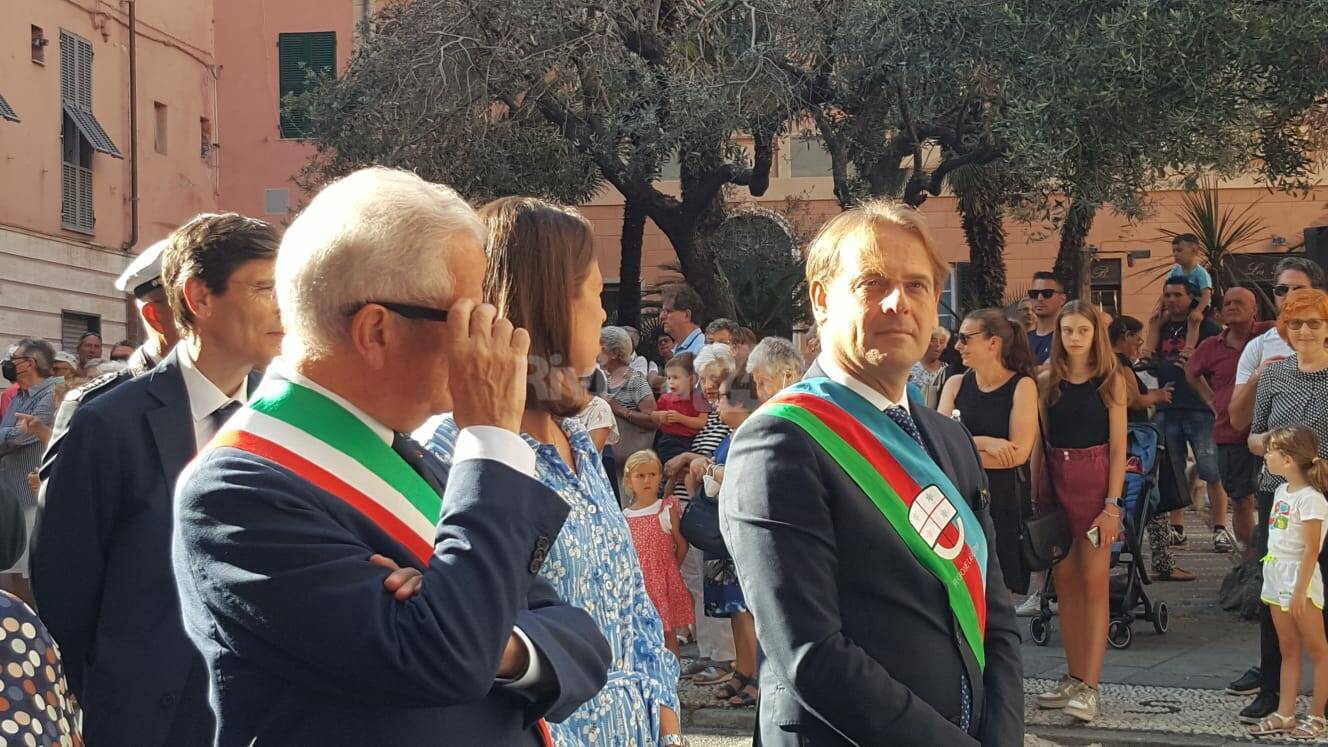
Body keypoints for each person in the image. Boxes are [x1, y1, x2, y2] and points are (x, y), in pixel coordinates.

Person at [172, 171, 609, 744]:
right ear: (376, 330)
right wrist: (492, 440)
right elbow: (447, 657)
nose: (495, 338)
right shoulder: (236, 491)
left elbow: (581, 637)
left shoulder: (405, 452)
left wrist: (498, 643)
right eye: (471, 317)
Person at [721, 200, 1022, 745]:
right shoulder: (780, 440)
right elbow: (810, 652)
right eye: (871, 283)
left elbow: (995, 619)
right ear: (820, 300)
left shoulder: (951, 440)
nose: (897, 303)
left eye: (917, 286)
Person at [418, 195, 680, 746]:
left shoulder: (578, 441)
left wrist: (664, 707)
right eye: (594, 290)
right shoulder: (454, 452)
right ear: (549, 301)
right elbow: (464, 630)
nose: (606, 313)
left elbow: (629, 595)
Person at [31, 213, 282, 747]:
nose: (284, 307)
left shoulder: (285, 417)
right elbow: (65, 584)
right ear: (198, 296)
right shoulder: (109, 422)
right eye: (264, 288)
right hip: (145, 715)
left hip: (260, 710)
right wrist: (105, 694)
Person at [1227, 257, 1325, 700]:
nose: (1303, 331)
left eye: (1313, 323)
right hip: (1277, 496)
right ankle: (1272, 689)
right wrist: (1269, 442)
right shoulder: (1275, 374)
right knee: (1276, 589)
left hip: (1323, 495)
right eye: (1294, 322)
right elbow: (1249, 436)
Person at [1033, 300, 1128, 723]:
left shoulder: (1112, 380)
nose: (1073, 337)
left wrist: (1112, 505)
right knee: (1065, 585)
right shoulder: (1045, 380)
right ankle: (1073, 677)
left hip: (1095, 483)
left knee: (1094, 584)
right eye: (1067, 330)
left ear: (1096, 335)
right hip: (1057, 478)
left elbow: (1120, 449)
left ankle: (1090, 685)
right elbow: (1040, 442)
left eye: (1081, 331)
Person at [939, 309, 1038, 598]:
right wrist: (985, 441)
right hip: (960, 497)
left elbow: (1018, 453)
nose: (958, 346)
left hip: (1003, 500)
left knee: (1000, 593)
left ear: (993, 343)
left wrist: (963, 449)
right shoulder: (955, 384)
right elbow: (941, 443)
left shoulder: (1022, 385)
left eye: (966, 338)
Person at [1246, 425, 1328, 739]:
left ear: (1289, 459)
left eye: (1271, 451)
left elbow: (1311, 550)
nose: (1266, 456)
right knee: (1288, 647)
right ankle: (1286, 712)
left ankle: (1318, 715)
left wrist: (1299, 591)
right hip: (1276, 574)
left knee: (1318, 649)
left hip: (1299, 577)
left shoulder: (1312, 500)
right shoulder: (1281, 492)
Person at [665, 344, 738, 687]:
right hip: (703, 509)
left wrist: (690, 460)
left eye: (713, 378)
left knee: (725, 594)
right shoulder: (711, 415)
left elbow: (727, 461)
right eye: (704, 378)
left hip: (720, 516)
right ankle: (712, 654)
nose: (707, 386)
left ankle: (727, 660)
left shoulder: (732, 415)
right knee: (708, 587)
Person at [1107, 316, 1195, 583]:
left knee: (1151, 500)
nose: (1138, 344)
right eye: (1137, 338)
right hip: (1136, 442)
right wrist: (1156, 396)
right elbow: (1131, 399)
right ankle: (1162, 562)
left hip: (1135, 439)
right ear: (1124, 336)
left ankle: (1161, 560)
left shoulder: (1117, 364)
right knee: (1149, 498)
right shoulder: (1119, 365)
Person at [1187, 287, 1271, 552]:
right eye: (1228, 303)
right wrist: (1211, 400)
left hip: (1273, 431)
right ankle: (1248, 559)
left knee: (1275, 498)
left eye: (1240, 302)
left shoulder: (1271, 335)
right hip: (1231, 432)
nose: (1232, 306)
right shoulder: (1211, 345)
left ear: (1254, 308)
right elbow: (1191, 372)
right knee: (1241, 499)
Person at [1147, 276, 1224, 550]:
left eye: (1177, 295)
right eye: (1167, 295)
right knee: (1173, 472)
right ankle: (1177, 527)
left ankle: (1220, 528)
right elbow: (1150, 360)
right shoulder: (1162, 327)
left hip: (1199, 409)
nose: (1171, 300)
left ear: (1191, 297)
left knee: (1211, 470)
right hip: (1167, 409)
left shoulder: (1207, 327)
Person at [1230, 257, 1326, 432]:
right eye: (1282, 290)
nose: (1289, 296)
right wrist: (1257, 378)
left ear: (1317, 292)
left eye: (1298, 289)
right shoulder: (1258, 346)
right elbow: (1238, 421)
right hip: (1280, 455)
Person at [0, 339, 61, 601]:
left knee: (30, 573)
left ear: (30, 363)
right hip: (12, 493)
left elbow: (22, 437)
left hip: (34, 495)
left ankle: (37, 632)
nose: (7, 365)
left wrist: (11, 435)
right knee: (11, 568)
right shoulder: (18, 395)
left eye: (13, 359)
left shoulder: (54, 393)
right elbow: (10, 433)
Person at [622, 449, 692, 657]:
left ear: (660, 477)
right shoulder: (624, 517)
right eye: (640, 476)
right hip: (639, 585)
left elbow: (681, 545)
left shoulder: (665, 509)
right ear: (629, 481)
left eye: (652, 475)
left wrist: (670, 568)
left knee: (667, 632)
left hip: (663, 582)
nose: (647, 480)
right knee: (641, 633)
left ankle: (672, 678)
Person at [600, 326, 658, 479]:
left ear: (614, 353)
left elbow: (653, 419)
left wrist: (620, 410)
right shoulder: (605, 380)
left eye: (601, 348)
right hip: (610, 466)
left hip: (632, 470)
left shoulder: (636, 381)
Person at [652, 353, 707, 467]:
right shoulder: (665, 398)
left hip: (691, 441)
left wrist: (680, 418)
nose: (670, 381)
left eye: (675, 377)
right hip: (668, 439)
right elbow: (653, 416)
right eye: (668, 377)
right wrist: (659, 416)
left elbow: (701, 422)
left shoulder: (699, 398)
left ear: (691, 379)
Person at [1166, 234, 1215, 354]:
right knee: (1157, 319)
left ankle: (1188, 348)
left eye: (1179, 250)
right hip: (1181, 304)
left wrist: (1198, 310)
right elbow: (1166, 290)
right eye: (1174, 251)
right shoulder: (1174, 271)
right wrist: (1159, 309)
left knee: (1193, 321)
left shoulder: (1200, 273)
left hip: (1198, 303)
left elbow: (1206, 294)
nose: (1176, 254)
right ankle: (1149, 349)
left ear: (1194, 250)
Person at [1028, 271, 1068, 366]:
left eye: (1047, 293)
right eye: (1034, 293)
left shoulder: (1068, 338)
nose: (1039, 298)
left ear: (1062, 299)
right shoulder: (1023, 339)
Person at [910, 326, 952, 407]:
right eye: (934, 340)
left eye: (942, 342)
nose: (938, 345)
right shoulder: (911, 365)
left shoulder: (947, 370)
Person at [661, 284, 706, 358]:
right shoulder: (677, 349)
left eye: (668, 311)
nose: (661, 316)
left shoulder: (703, 349)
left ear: (686, 315)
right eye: (663, 311)